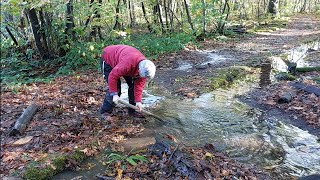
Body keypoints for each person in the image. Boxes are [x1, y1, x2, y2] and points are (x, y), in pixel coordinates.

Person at [100, 45, 156, 121]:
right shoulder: (127, 64)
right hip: (108, 59)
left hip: (124, 62)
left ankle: (132, 111)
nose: (141, 77)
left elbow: (138, 86)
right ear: (139, 70)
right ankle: (105, 112)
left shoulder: (145, 67)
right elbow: (112, 76)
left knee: (133, 86)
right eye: (140, 75)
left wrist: (138, 101)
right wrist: (114, 94)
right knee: (116, 89)